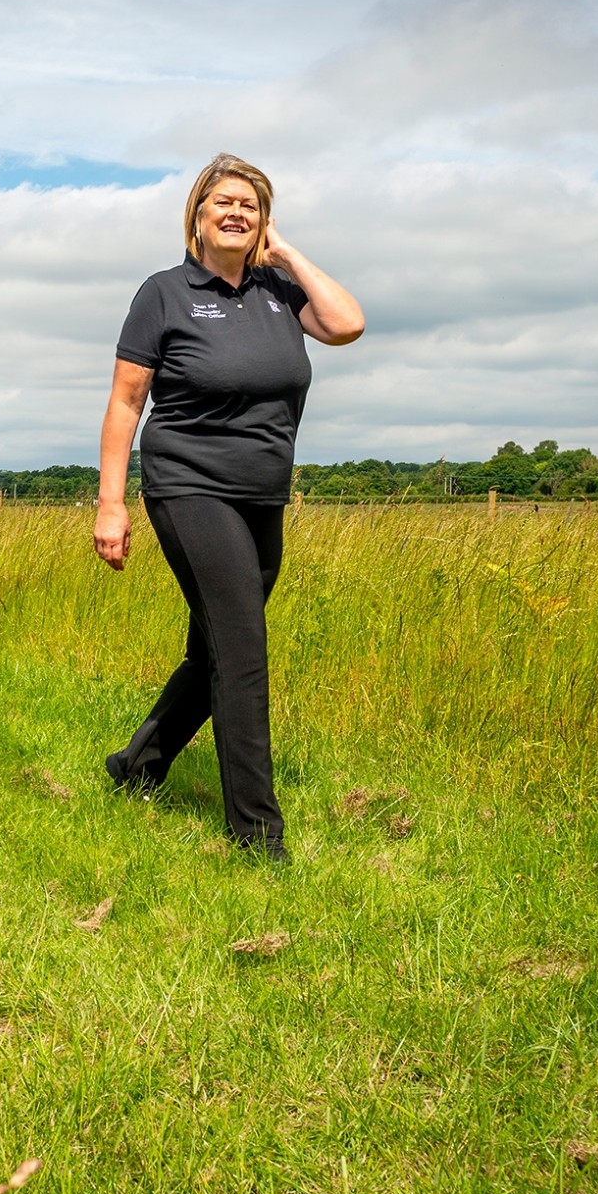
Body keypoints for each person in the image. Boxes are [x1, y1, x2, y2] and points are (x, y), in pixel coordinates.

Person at [92, 154, 364, 861]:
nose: (235, 213)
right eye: (222, 202)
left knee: (216, 644)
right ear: (197, 214)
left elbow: (345, 325)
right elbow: (126, 402)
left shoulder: (278, 289)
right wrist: (110, 504)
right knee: (242, 649)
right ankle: (256, 835)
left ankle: (137, 765)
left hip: (261, 493)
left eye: (249, 204)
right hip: (187, 486)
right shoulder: (163, 294)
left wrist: (291, 255)